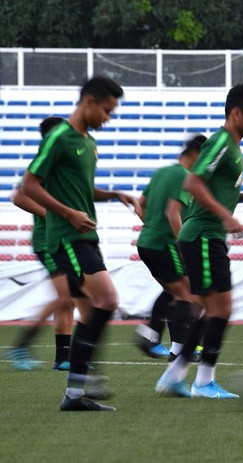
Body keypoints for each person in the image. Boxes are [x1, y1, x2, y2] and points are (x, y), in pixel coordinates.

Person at [22, 75, 141, 411]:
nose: (108, 118)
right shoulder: (59, 136)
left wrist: (116, 194)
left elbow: (83, 191)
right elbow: (29, 185)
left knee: (89, 311)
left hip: (86, 237)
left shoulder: (88, 143)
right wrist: (67, 213)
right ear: (89, 102)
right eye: (106, 110)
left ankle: (75, 393)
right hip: (67, 238)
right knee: (107, 299)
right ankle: (84, 379)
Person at [156, 83, 243, 399]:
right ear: (236, 113)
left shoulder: (232, 147)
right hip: (203, 236)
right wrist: (226, 216)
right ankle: (201, 382)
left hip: (207, 236)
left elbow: (215, 190)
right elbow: (193, 182)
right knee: (220, 309)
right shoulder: (220, 143)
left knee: (214, 309)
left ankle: (175, 376)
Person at [5, 117, 75, 371]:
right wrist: (53, 215)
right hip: (47, 241)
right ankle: (21, 346)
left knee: (68, 299)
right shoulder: (44, 161)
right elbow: (19, 196)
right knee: (67, 295)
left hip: (60, 239)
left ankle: (63, 358)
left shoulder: (58, 163)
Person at [134, 134, 206, 374]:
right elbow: (172, 214)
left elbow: (139, 203)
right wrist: (183, 246)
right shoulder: (186, 177)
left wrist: (149, 226)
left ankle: (155, 338)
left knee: (174, 292)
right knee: (187, 295)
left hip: (146, 243)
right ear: (196, 154)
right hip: (166, 244)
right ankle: (167, 346)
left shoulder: (161, 172)